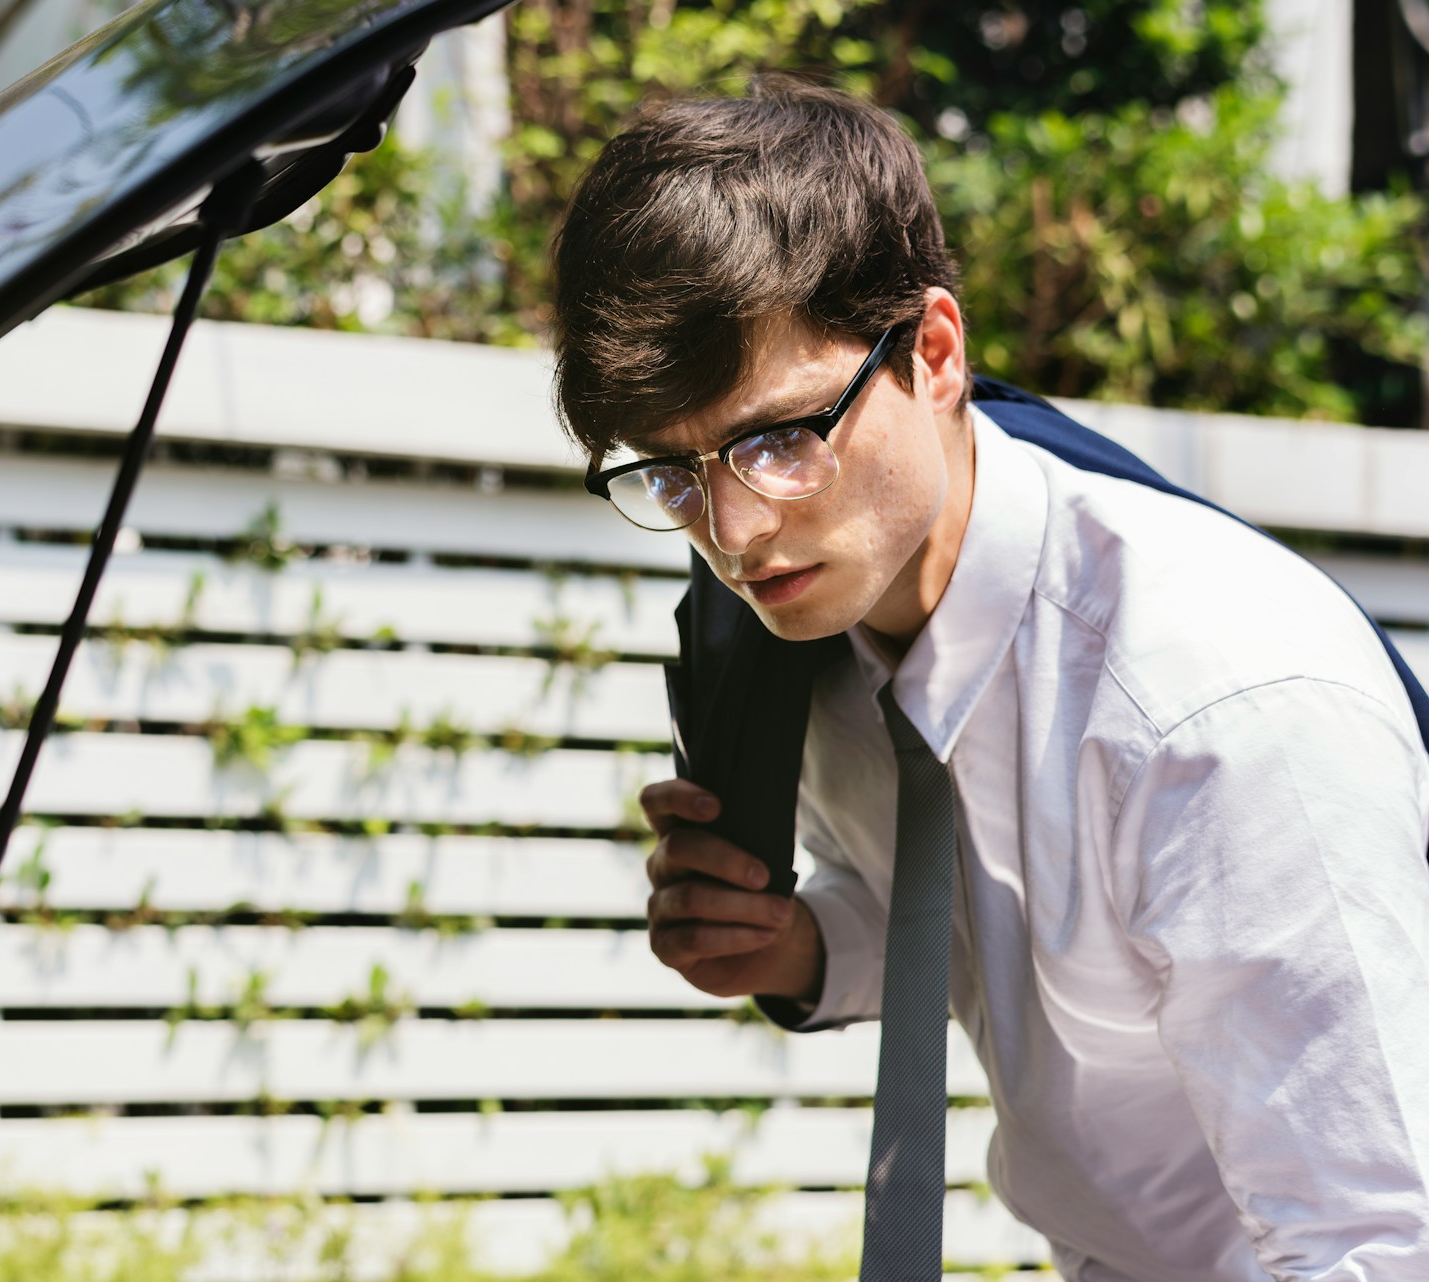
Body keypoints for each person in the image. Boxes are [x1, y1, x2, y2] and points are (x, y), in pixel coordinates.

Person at [549, 75, 1429, 1279]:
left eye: (778, 440)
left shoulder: (1217, 709)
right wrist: (800, 941)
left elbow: (1379, 1237)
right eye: (675, 473)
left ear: (936, 352)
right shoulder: (818, 627)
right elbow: (978, 916)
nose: (737, 530)